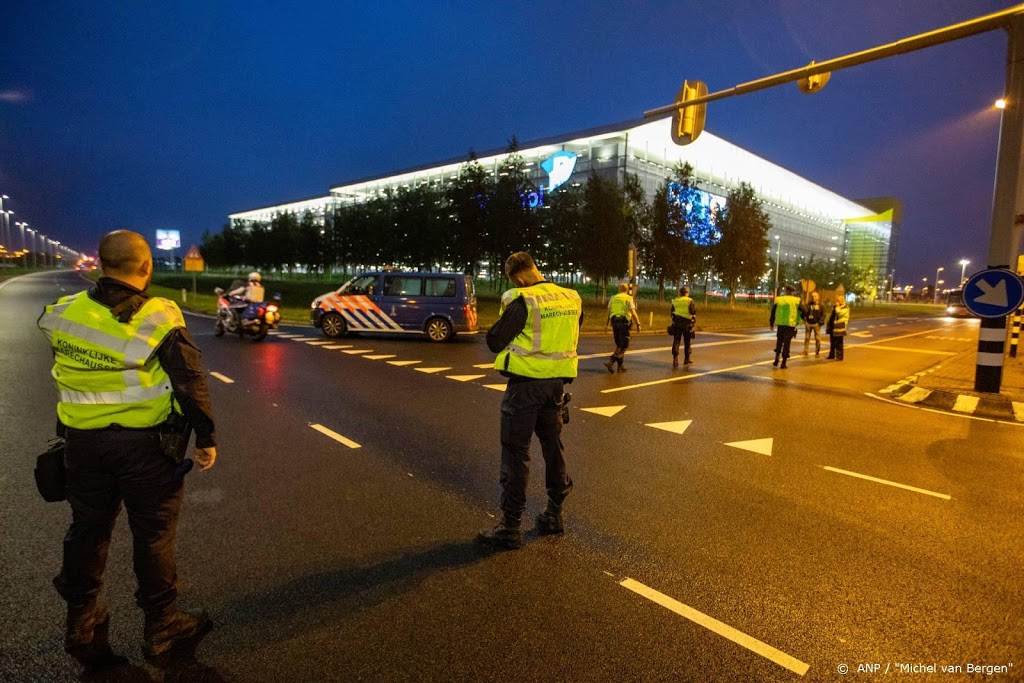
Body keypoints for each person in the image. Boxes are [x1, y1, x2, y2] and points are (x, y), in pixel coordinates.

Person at [37, 230, 217, 667]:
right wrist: (207, 437)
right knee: (152, 536)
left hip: (81, 447)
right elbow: (189, 380)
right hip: (146, 449)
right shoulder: (158, 316)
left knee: (88, 531)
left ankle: (82, 622)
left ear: (100, 265)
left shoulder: (64, 312)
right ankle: (161, 626)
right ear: (147, 266)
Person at [480, 252, 582, 550]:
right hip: (556, 388)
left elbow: (495, 341)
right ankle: (554, 514)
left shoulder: (524, 300)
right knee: (553, 448)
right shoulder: (570, 298)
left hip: (524, 388)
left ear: (520, 278)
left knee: (516, 453)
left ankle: (510, 527)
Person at [603, 283, 641, 373]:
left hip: (614, 323)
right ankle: (611, 361)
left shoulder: (613, 298)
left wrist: (606, 325)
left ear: (619, 289)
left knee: (619, 344)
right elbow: (633, 312)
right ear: (627, 290)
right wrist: (638, 324)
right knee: (624, 345)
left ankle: (620, 366)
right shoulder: (628, 298)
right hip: (624, 323)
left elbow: (608, 312)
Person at [769, 285, 802, 369]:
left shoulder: (779, 299)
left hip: (781, 324)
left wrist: (771, 323)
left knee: (779, 342)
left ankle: (776, 359)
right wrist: (803, 318)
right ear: (792, 292)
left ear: (786, 291)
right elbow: (804, 310)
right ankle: (783, 363)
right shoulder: (796, 300)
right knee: (787, 343)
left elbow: (773, 311)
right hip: (790, 325)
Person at [670, 286, 697, 368]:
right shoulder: (689, 301)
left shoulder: (675, 300)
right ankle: (686, 359)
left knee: (676, 341)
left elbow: (672, 312)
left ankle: (675, 360)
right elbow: (693, 311)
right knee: (687, 341)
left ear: (680, 293)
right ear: (687, 293)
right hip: (687, 324)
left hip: (677, 323)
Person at [801, 291, 826, 357]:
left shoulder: (821, 305)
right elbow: (804, 312)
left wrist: (820, 322)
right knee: (807, 338)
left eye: (815, 296)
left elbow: (823, 314)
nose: (813, 297)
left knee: (817, 338)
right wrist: (805, 320)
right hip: (809, 323)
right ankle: (805, 350)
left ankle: (817, 351)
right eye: (812, 296)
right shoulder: (808, 305)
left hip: (816, 324)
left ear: (818, 297)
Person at [827, 296, 851, 360]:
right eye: (836, 300)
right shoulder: (836, 307)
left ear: (842, 301)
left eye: (838, 301)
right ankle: (831, 355)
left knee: (839, 342)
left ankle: (839, 356)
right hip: (834, 326)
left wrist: (837, 307)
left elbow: (839, 313)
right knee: (832, 341)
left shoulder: (845, 308)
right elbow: (832, 316)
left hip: (840, 326)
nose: (837, 302)